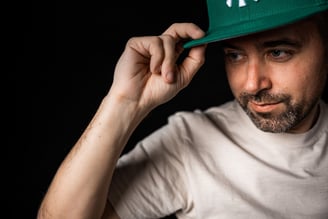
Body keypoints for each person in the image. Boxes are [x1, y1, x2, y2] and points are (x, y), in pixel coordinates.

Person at [37, 0, 328, 218]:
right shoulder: (191, 143)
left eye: (278, 52)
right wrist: (124, 103)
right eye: (235, 55)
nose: (252, 84)